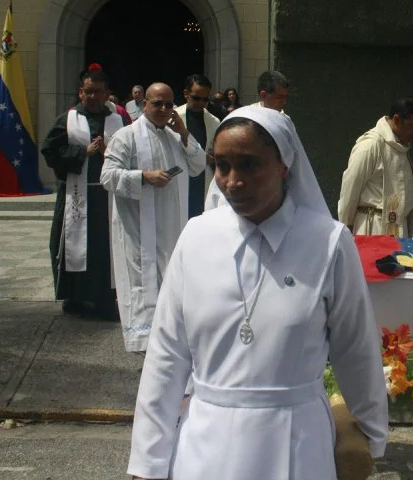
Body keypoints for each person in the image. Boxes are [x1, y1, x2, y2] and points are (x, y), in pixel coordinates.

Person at [127, 106, 389, 479]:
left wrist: (371, 431)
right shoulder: (196, 238)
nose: (233, 181)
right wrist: (147, 461)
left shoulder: (328, 242)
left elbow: (356, 347)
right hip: (206, 442)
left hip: (297, 440)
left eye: (249, 165)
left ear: (284, 166)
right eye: (222, 166)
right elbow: (167, 355)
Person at [100, 82, 207, 353]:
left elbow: (199, 166)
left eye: (168, 104)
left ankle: (168, 341)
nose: (162, 109)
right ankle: (144, 343)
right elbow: (107, 176)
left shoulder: (174, 137)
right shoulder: (126, 137)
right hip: (139, 228)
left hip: (172, 226)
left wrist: (184, 133)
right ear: (144, 104)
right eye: (156, 103)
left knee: (171, 282)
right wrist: (143, 177)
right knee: (143, 283)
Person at [41, 65, 126, 319]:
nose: (93, 97)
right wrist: (83, 153)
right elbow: (50, 151)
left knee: (104, 250)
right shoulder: (67, 119)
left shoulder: (118, 120)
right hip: (76, 197)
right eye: (88, 91)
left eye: (98, 92)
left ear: (107, 93)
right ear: (81, 92)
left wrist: (107, 152)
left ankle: (104, 300)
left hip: (107, 197)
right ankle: (75, 297)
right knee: (72, 247)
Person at [337, 97, 413, 237]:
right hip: (372, 229)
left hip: (399, 231)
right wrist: (345, 232)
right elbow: (350, 190)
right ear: (397, 119)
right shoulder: (371, 145)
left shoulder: (401, 148)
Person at [176, 74, 220, 218]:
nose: (200, 103)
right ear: (186, 94)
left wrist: (214, 156)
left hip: (203, 181)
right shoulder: (173, 117)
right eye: (196, 98)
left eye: (205, 100)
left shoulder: (213, 121)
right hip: (179, 177)